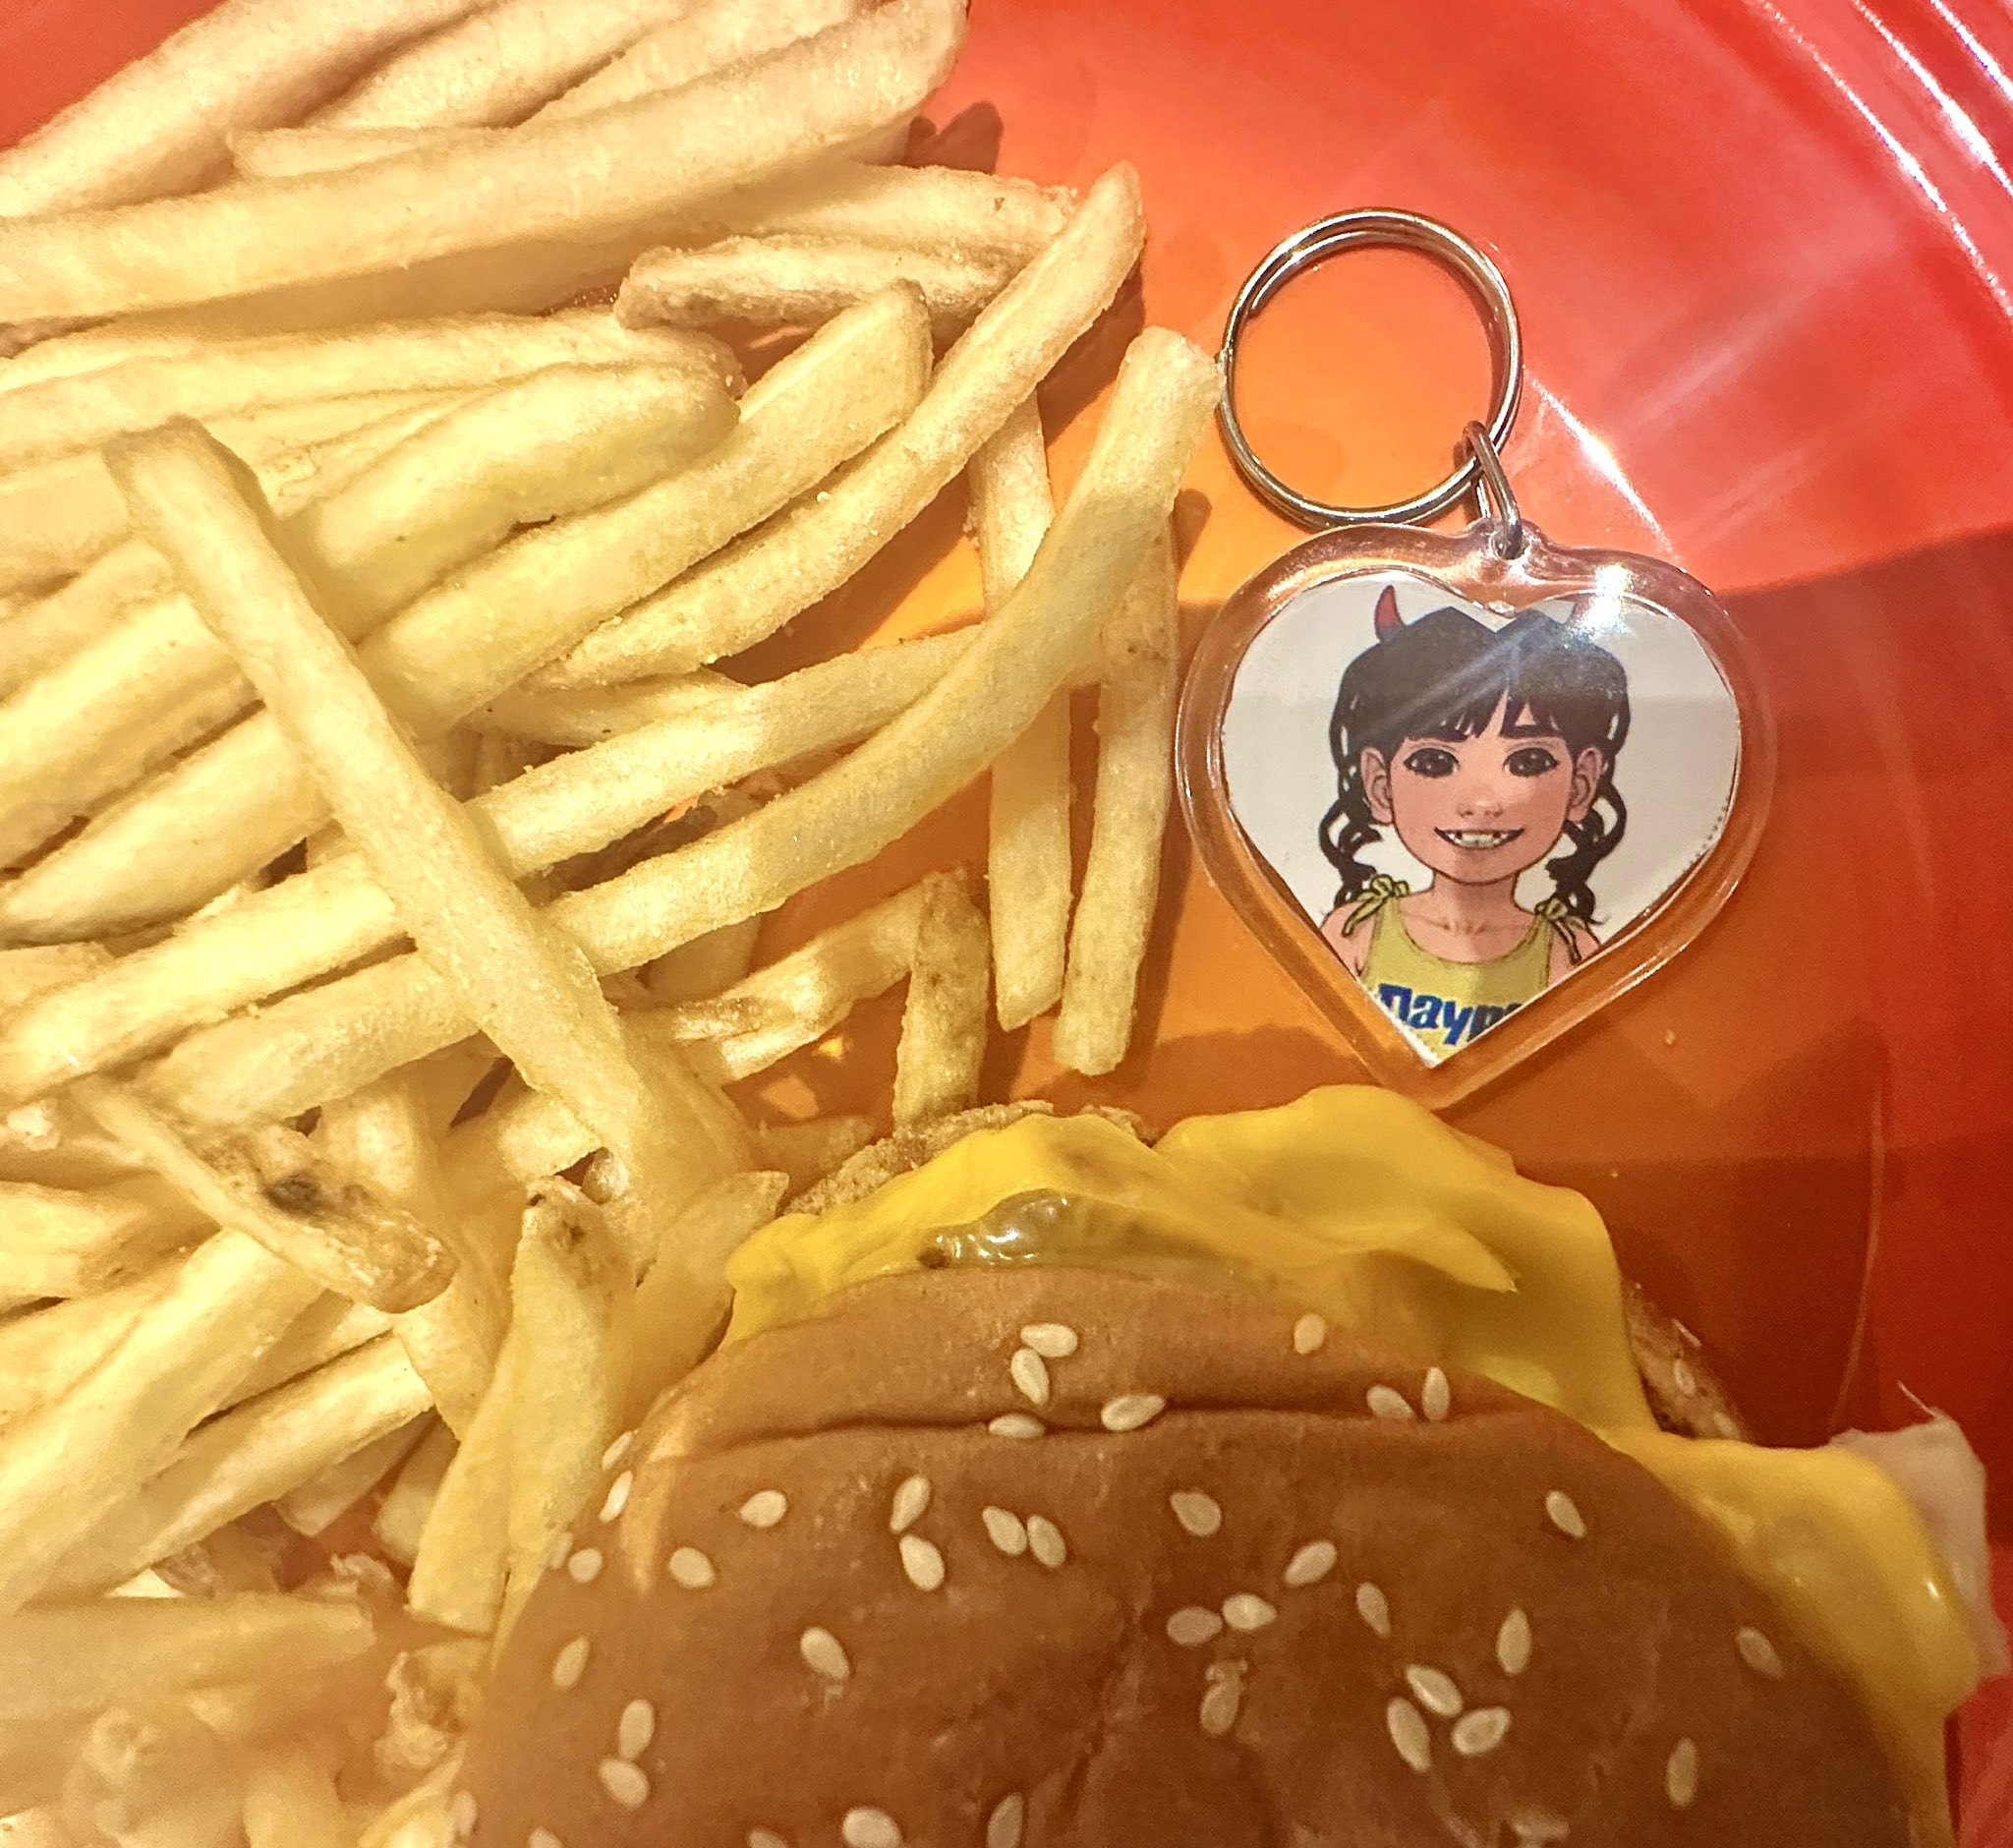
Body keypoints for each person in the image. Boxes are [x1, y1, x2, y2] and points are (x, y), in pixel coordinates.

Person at [1320, 585, 1630, 1058]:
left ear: (1581, 783)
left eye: (1527, 762)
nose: (1482, 802)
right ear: (1380, 784)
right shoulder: (1356, 931)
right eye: (1434, 762)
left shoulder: (1569, 952)